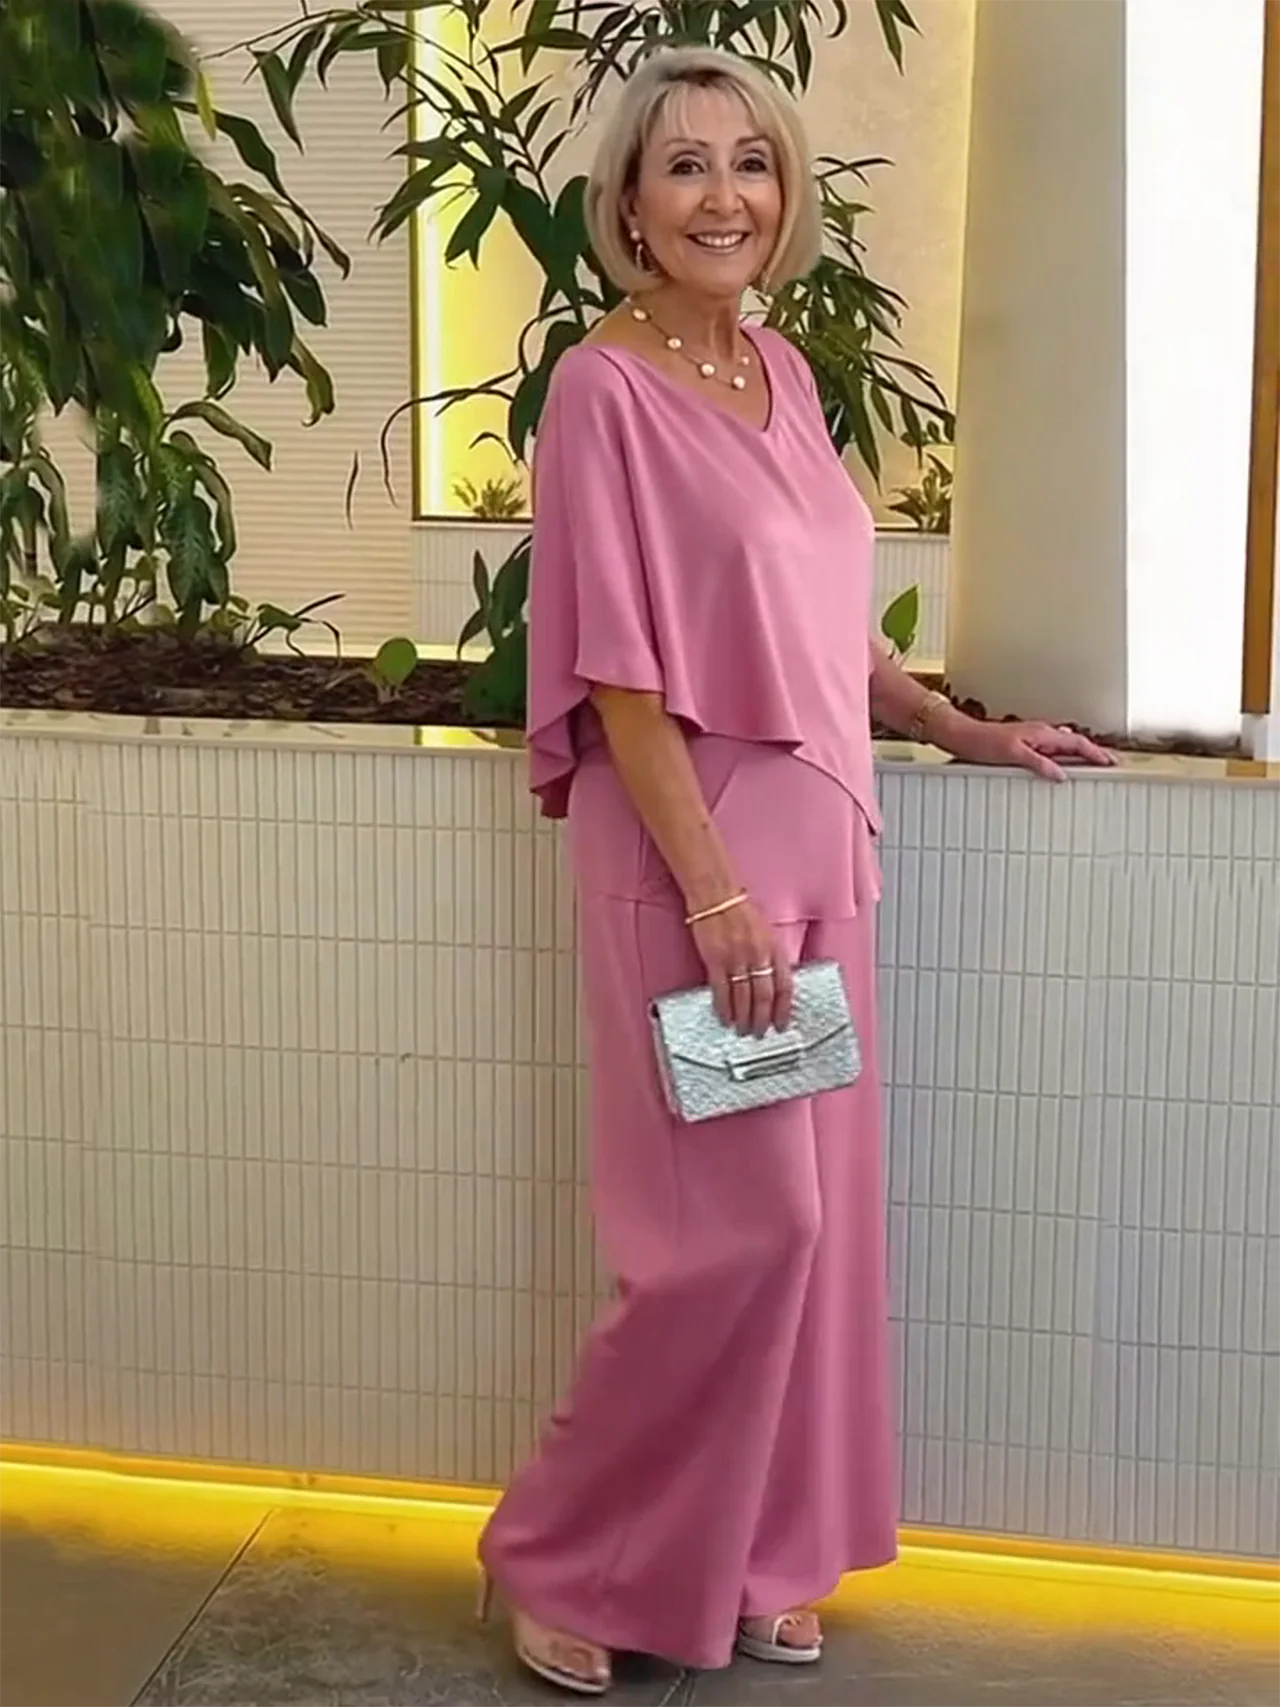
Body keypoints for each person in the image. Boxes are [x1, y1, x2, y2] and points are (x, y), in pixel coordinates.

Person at [476, 45, 1114, 1696]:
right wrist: (713, 894)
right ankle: (558, 1553)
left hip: (819, 836)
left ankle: (756, 1552)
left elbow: (823, 617)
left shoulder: (783, 369)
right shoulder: (601, 390)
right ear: (628, 204)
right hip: (695, 857)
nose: (723, 196)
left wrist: (954, 724)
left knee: (810, 1239)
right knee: (733, 1234)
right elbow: (621, 674)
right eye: (684, 166)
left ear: (785, 194)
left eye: (749, 162)